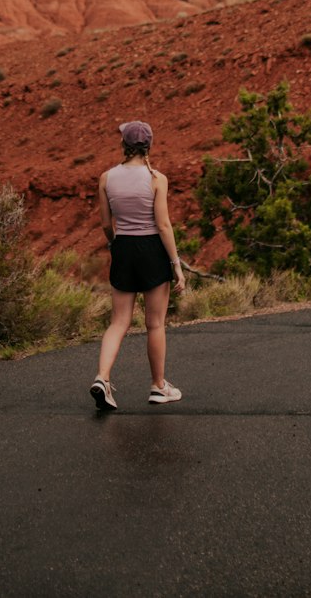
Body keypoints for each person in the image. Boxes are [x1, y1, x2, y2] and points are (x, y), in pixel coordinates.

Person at [90, 119, 186, 411]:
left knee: (118, 322)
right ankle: (158, 386)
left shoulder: (106, 178)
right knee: (155, 323)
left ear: (124, 145)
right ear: (148, 146)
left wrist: (115, 242)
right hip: (152, 249)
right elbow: (163, 224)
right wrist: (176, 264)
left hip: (124, 248)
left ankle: (102, 379)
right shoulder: (157, 179)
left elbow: (107, 223)